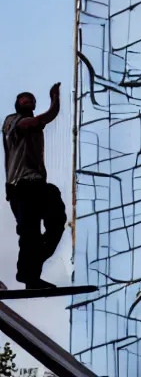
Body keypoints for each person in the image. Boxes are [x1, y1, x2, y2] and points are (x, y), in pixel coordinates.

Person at [2, 84, 67, 290]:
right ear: (17, 104)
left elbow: (45, 119)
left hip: (39, 184)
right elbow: (35, 122)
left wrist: (55, 101)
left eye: (31, 99)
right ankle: (30, 277)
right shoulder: (12, 122)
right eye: (24, 99)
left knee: (56, 222)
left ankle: (31, 269)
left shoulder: (37, 124)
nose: (28, 101)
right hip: (20, 187)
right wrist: (53, 104)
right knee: (30, 233)